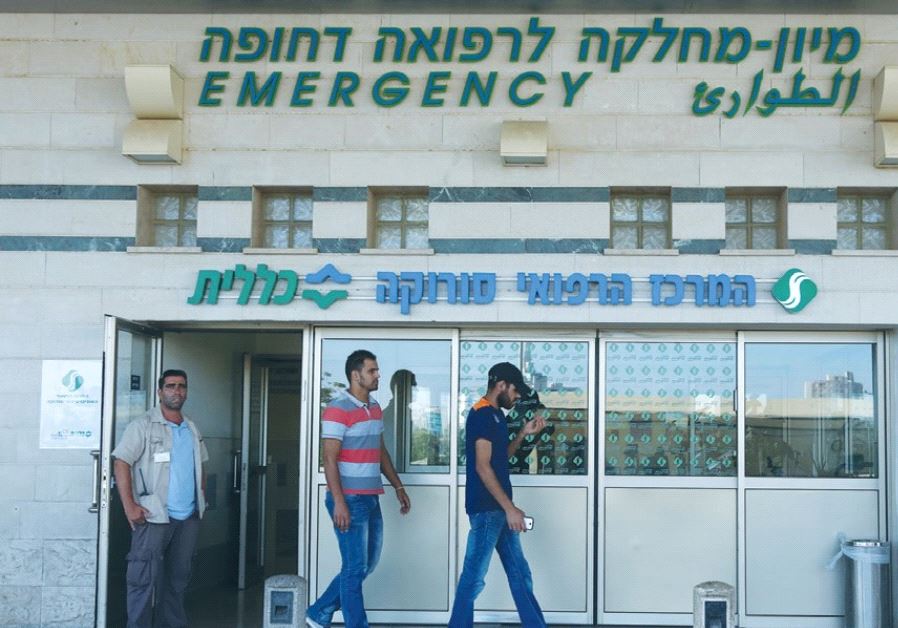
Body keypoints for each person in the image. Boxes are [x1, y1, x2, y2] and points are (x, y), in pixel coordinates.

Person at [306, 350, 412, 628]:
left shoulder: (374, 407)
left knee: (366, 564)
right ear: (356, 375)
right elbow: (329, 458)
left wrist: (398, 486)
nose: (378, 375)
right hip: (348, 499)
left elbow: (380, 451)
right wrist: (339, 501)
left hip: (370, 498)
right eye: (372, 371)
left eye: (377, 370)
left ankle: (319, 611)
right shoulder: (337, 408)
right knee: (354, 568)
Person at [449, 362, 548, 628]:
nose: (517, 397)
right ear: (501, 385)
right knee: (473, 578)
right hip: (487, 509)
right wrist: (510, 508)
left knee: (520, 574)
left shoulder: (495, 415)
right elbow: (482, 467)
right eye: (515, 391)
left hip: (498, 510)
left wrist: (523, 434)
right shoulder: (482, 414)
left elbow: (499, 458)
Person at [111, 369, 209, 628]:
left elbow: (201, 465)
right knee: (143, 578)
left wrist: (201, 498)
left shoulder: (191, 427)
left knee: (178, 579)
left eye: (181, 386)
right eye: (170, 386)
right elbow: (121, 462)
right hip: (153, 515)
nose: (177, 391)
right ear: (160, 391)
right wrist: (130, 506)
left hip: (187, 518)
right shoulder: (142, 425)